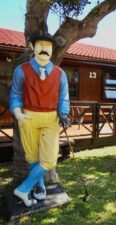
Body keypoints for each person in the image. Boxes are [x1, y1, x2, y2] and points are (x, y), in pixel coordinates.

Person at [9, 30, 70, 207]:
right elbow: (16, 94)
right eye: (40, 45)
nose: (44, 49)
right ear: (32, 47)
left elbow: (64, 96)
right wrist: (17, 112)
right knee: (32, 156)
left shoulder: (60, 73)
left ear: (52, 49)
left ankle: (23, 188)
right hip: (27, 116)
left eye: (48, 46)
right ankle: (39, 187)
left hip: (50, 118)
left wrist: (64, 114)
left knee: (49, 159)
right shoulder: (22, 70)